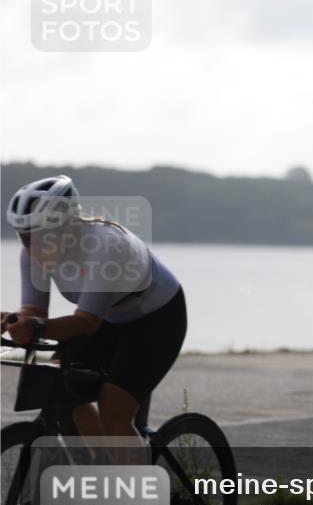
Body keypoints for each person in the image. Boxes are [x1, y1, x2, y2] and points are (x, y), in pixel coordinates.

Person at [1, 175, 186, 449]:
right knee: (61, 389)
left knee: (114, 413)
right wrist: (14, 321)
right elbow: (34, 310)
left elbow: (86, 323)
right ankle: (106, 462)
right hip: (109, 317)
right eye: (24, 236)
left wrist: (35, 327)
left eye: (39, 235)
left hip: (156, 318)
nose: (31, 246)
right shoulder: (31, 254)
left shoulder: (106, 246)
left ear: (68, 225)